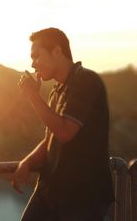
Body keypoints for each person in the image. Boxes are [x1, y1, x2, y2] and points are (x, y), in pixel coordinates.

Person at [12, 28, 114, 220]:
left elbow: (65, 132)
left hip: (81, 198)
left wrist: (33, 95)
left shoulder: (86, 81)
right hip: (50, 191)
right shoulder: (57, 91)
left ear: (57, 51)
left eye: (37, 56)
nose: (33, 64)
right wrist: (27, 162)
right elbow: (50, 139)